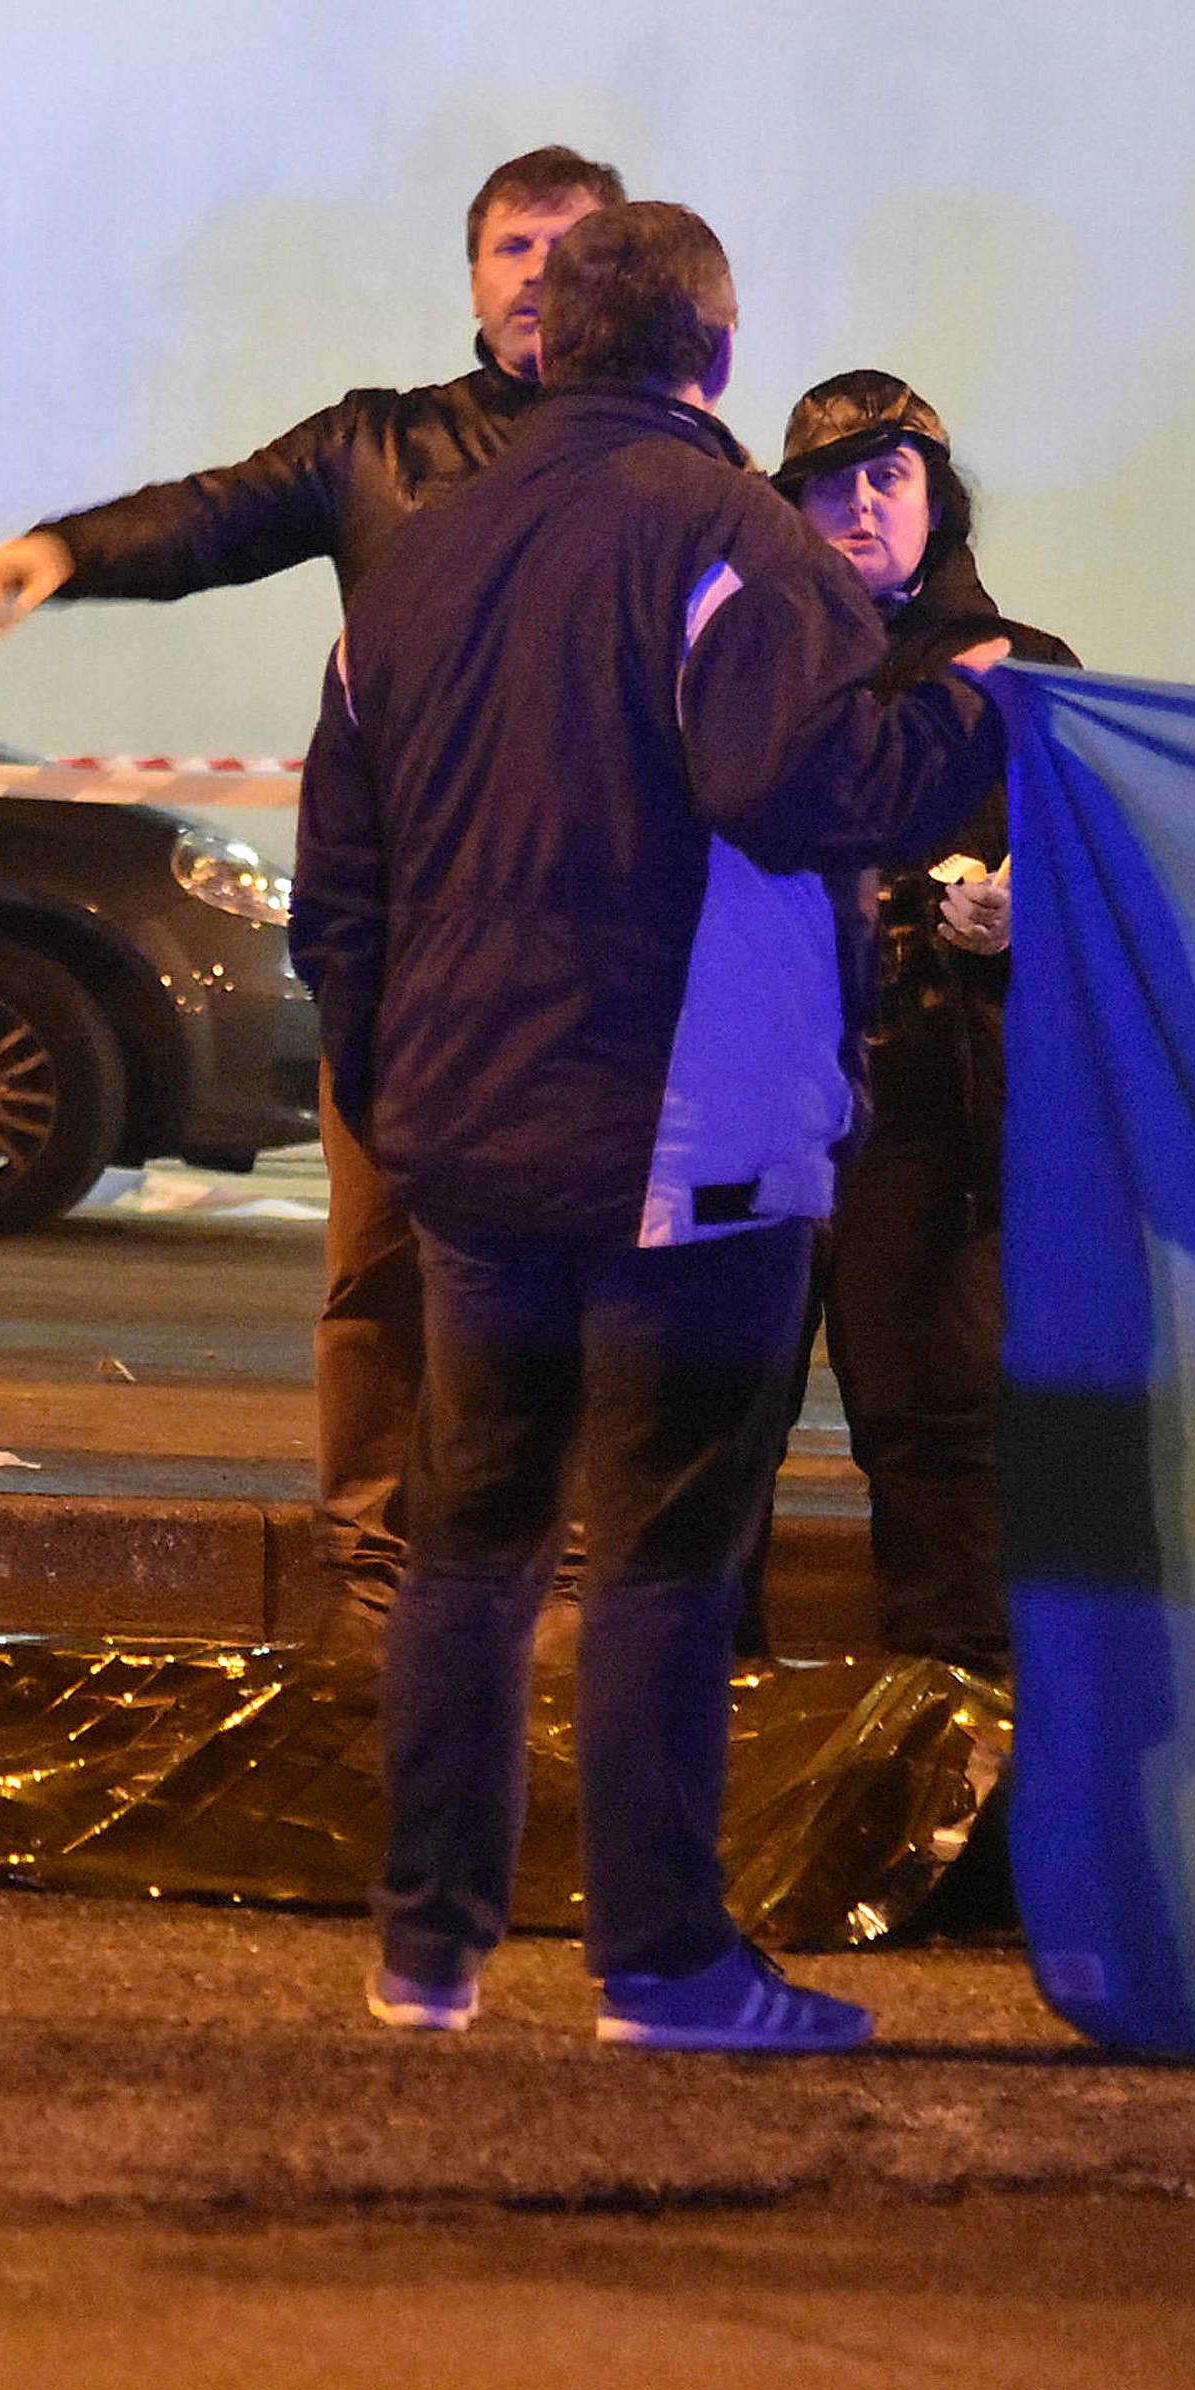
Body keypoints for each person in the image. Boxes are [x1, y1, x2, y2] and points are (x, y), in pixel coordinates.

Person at [290, 203, 1012, 2051]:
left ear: (555, 337)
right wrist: (969, 727)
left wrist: (393, 1088)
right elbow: (796, 785)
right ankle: (668, 1966)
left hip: (467, 1141)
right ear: (716, 346)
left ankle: (430, 1955)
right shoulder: (730, 540)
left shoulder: (416, 559)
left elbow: (340, 880)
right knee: (668, 1553)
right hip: (686, 1135)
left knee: (470, 1541)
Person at [0, 146, 625, 1642]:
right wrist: (68, 549)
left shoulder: (671, 466)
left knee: (581, 1298)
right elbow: (215, 517)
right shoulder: (379, 448)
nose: (538, 271)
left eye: (573, 247)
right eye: (513, 243)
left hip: (592, 974)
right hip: (407, 955)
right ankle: (375, 1585)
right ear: (472, 275)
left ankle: (571, 1595)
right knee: (379, 1283)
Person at [761, 372, 1075, 1673]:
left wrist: (1017, 918)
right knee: (707, 1447)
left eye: (891, 476)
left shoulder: (1028, 676)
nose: (862, 505)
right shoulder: (746, 665)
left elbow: (1091, 893)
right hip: (758, 1117)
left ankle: (955, 1816)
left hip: (931, 1130)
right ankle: (697, 1800)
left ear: (938, 498)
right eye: (833, 479)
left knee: (939, 1451)